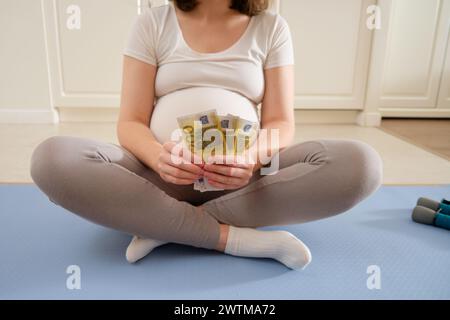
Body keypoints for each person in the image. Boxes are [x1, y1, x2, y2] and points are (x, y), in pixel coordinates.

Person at [30, 0, 383, 270]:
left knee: (362, 165)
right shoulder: (153, 23)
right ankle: (231, 238)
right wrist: (158, 158)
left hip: (248, 180)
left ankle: (162, 225)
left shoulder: (272, 27)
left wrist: (250, 158)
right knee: (52, 159)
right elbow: (130, 122)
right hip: (158, 178)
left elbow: (279, 123)